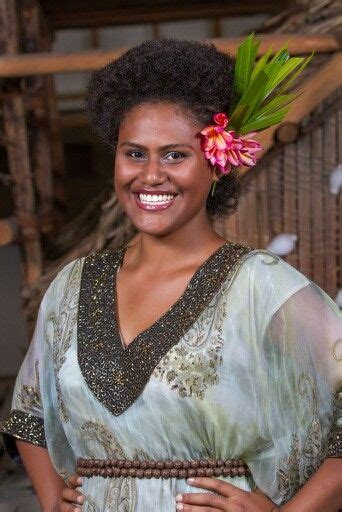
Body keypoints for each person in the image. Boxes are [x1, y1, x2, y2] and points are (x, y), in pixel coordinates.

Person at [1, 38, 341, 512]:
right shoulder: (73, 285)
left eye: (175, 155)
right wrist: (50, 500)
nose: (151, 175)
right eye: (134, 153)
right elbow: (30, 417)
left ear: (216, 161)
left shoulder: (262, 287)